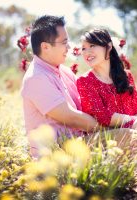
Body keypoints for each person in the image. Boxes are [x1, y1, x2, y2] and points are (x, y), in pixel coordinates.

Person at [20, 15, 99, 157]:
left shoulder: (64, 71)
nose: (68, 47)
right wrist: (108, 127)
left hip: (80, 144)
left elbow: (87, 102)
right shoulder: (36, 78)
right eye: (64, 42)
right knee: (131, 135)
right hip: (60, 155)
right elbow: (71, 117)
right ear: (45, 47)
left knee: (136, 127)